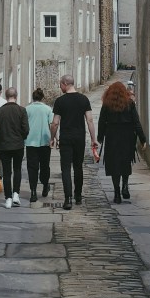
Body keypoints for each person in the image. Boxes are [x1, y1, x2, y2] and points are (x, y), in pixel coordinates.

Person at [50, 74, 98, 210]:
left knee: (65, 168)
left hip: (66, 138)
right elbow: (89, 120)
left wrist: (52, 138)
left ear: (65, 83)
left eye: (60, 84)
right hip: (79, 138)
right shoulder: (84, 99)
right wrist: (94, 139)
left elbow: (55, 123)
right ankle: (77, 196)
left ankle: (68, 199)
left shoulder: (60, 101)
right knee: (78, 167)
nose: (60, 86)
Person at [97, 81, 146, 204]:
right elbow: (136, 122)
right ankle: (125, 185)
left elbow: (101, 122)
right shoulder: (129, 103)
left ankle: (117, 193)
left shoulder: (107, 104)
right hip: (127, 137)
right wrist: (142, 139)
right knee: (125, 162)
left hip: (112, 137)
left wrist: (100, 137)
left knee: (114, 165)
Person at [0, 87, 30, 210]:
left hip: (4, 146)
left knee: (7, 172)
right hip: (18, 145)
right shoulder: (21, 110)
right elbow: (26, 129)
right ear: (16, 96)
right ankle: (16, 194)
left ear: (6, 96)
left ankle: (8, 198)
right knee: (17, 169)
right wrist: (21, 138)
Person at [25, 88, 53, 203]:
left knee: (32, 167)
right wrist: (55, 138)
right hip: (44, 142)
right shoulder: (47, 109)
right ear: (42, 97)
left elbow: (24, 125)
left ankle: (33, 192)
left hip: (30, 142)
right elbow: (52, 124)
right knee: (45, 166)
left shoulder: (27, 109)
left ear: (33, 97)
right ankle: (45, 185)